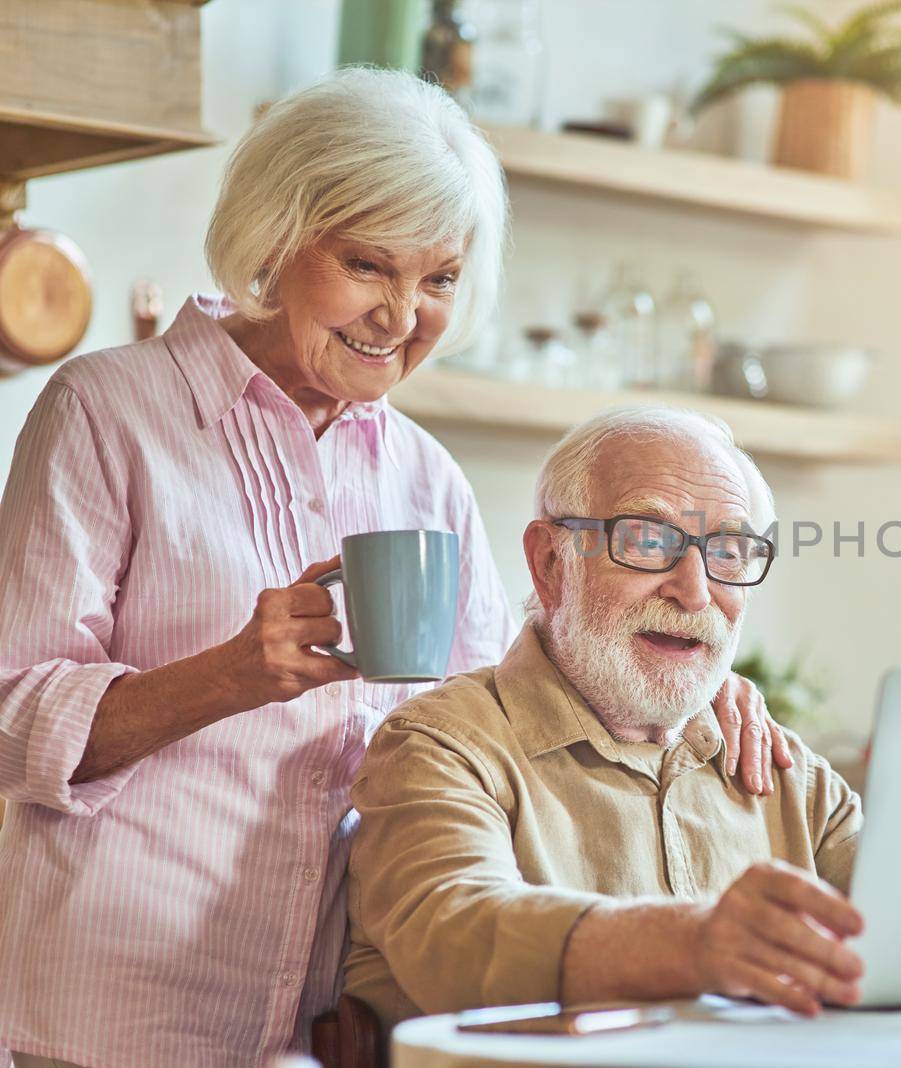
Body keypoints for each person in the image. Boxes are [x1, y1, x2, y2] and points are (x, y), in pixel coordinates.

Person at [0, 71, 783, 1068]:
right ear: (274, 239)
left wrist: (689, 690)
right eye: (368, 265)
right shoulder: (107, 411)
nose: (402, 315)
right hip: (112, 1010)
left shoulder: (428, 477)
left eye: (441, 280)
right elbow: (10, 713)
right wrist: (230, 676)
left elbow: (494, 725)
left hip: (332, 1026)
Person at [343, 408, 865, 1027]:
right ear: (551, 564)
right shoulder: (441, 745)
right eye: (647, 540)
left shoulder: (784, 773)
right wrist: (692, 942)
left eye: (727, 551)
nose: (694, 591)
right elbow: (457, 932)